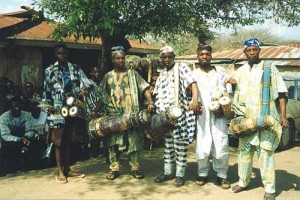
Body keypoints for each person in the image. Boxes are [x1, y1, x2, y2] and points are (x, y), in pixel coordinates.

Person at [230, 38, 288, 200]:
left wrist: (283, 116)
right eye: (248, 50)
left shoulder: (270, 69)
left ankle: (270, 189)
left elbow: (282, 94)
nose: (252, 53)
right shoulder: (240, 70)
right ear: (244, 52)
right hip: (246, 120)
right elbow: (235, 94)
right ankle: (243, 182)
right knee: (244, 153)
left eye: (255, 50)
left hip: (265, 120)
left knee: (266, 154)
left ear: (259, 51)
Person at [99, 46, 155, 180]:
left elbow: (144, 89)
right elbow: (102, 96)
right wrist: (96, 112)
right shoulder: (108, 76)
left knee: (133, 141)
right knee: (113, 143)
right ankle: (114, 169)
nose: (120, 60)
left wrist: (151, 102)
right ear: (113, 59)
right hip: (113, 115)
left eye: (122, 58)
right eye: (117, 58)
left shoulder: (133, 74)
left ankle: (135, 168)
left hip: (132, 114)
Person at [43, 43, 93, 183]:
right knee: (58, 141)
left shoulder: (75, 68)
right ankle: (59, 171)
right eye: (59, 53)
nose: (62, 56)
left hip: (72, 108)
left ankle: (68, 169)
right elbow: (46, 91)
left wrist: (84, 91)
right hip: (57, 109)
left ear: (67, 54)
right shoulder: (49, 71)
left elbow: (87, 84)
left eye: (64, 53)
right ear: (55, 55)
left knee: (68, 140)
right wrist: (48, 107)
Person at [153, 45, 200, 187]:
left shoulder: (182, 67)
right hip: (166, 116)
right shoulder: (162, 74)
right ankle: (167, 172)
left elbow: (193, 83)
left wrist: (195, 100)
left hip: (180, 114)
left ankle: (180, 175)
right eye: (164, 57)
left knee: (180, 144)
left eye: (170, 56)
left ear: (174, 56)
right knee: (168, 145)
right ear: (161, 59)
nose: (167, 59)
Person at [192, 44, 236, 189]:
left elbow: (230, 87)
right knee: (203, 144)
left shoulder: (220, 72)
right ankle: (202, 173)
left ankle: (221, 176)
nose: (204, 57)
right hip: (202, 114)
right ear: (197, 56)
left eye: (207, 54)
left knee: (220, 142)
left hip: (219, 114)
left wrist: (230, 83)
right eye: (201, 54)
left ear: (211, 56)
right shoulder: (194, 74)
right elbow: (189, 93)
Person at [0, 97, 38, 174]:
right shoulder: (3, 118)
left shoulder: (26, 115)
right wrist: (19, 139)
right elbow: (5, 135)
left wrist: (25, 137)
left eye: (18, 106)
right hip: (11, 140)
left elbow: (31, 130)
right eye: (14, 106)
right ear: (10, 107)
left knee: (35, 140)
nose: (17, 108)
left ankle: (31, 165)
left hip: (25, 138)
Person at [84, 66, 109, 160]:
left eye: (98, 72)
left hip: (103, 112)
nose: (97, 74)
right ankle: (94, 154)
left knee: (105, 134)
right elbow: (88, 98)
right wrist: (94, 111)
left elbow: (105, 99)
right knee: (93, 134)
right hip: (92, 112)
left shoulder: (102, 84)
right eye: (95, 72)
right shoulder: (88, 84)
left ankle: (107, 155)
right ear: (91, 73)